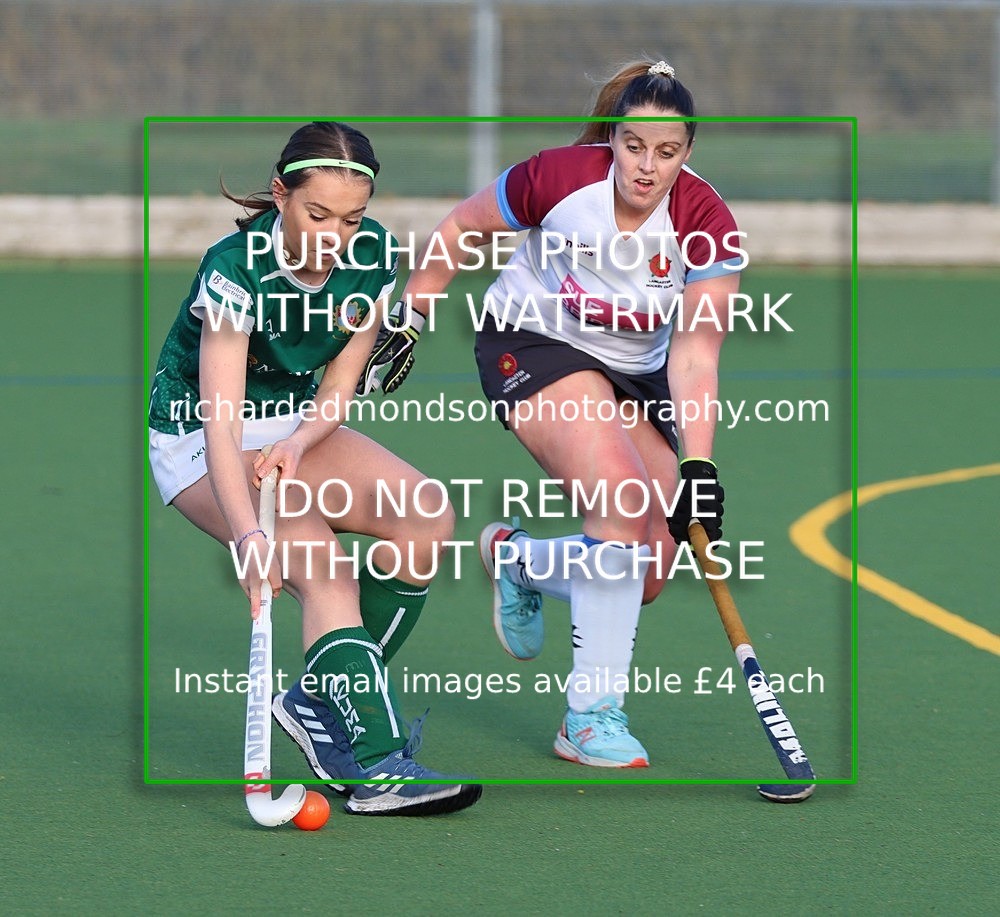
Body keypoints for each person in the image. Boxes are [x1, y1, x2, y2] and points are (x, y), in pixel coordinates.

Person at [360, 60, 738, 768]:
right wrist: (414, 307)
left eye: (666, 152)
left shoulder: (706, 221)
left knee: (647, 569)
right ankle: (590, 718)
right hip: (532, 340)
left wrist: (697, 462)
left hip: (636, 367)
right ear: (615, 138)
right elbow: (464, 226)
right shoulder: (561, 178)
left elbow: (695, 356)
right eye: (633, 145)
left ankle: (519, 559)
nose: (646, 168)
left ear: (688, 152)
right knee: (622, 506)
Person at [147, 121, 481, 815]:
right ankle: (375, 764)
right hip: (199, 436)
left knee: (427, 515)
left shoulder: (374, 256)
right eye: (317, 214)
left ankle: (323, 700)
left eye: (351, 217)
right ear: (280, 196)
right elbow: (220, 418)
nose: (334, 234)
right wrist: (248, 536)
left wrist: (299, 445)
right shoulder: (235, 270)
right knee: (324, 569)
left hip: (294, 424)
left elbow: (338, 387)